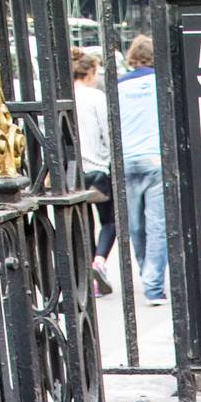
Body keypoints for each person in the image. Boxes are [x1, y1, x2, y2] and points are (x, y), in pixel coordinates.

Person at [117, 35, 166, 307]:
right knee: (158, 225)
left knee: (135, 225)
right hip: (155, 158)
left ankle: (145, 270)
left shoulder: (119, 85)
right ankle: (153, 285)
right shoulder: (160, 82)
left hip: (126, 158)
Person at [73, 52, 114, 295]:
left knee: (82, 223)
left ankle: (89, 281)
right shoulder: (96, 97)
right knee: (109, 221)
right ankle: (98, 261)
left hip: (73, 173)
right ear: (89, 73)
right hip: (97, 169)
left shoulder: (63, 96)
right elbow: (107, 132)